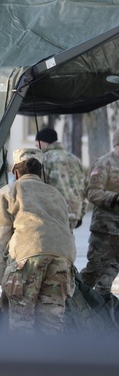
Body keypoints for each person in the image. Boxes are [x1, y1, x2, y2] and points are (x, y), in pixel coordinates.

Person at [0, 148, 76, 334]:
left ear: (15, 171)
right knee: (52, 325)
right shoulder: (56, 193)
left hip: (27, 257)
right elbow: (67, 230)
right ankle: (50, 361)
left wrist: (4, 277)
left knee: (21, 325)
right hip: (62, 258)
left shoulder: (8, 191)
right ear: (41, 171)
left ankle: (23, 362)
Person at [80, 127, 119, 301]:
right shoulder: (104, 163)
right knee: (93, 269)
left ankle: (101, 307)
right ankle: (76, 300)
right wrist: (115, 198)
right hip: (104, 229)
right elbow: (92, 192)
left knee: (111, 270)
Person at [36, 127, 87, 229]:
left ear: (41, 142)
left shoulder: (44, 159)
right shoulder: (74, 159)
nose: (37, 147)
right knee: (68, 243)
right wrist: (81, 213)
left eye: (37, 145)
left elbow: (38, 187)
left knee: (53, 244)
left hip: (53, 215)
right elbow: (84, 187)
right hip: (74, 213)